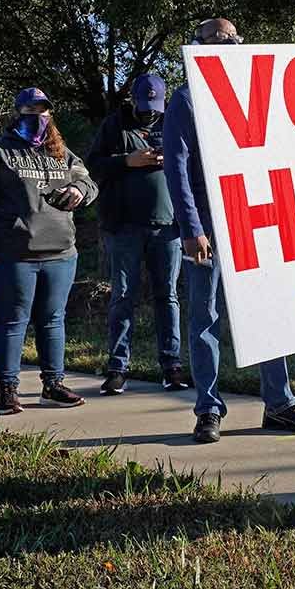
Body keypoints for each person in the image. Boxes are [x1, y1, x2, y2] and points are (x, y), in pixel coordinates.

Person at [163, 18, 295, 444]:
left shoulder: (260, 94)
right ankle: (209, 410)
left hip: (258, 222)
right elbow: (176, 171)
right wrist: (191, 228)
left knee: (271, 312)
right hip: (209, 228)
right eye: (214, 41)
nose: (225, 47)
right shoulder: (186, 100)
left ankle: (280, 405)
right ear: (195, 48)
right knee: (205, 318)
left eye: (232, 40)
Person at [0, 88, 98, 413]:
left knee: (53, 320)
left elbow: (88, 182)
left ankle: (52, 385)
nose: (38, 115)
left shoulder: (61, 152)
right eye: (30, 109)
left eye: (43, 110)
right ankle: (8, 389)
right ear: (18, 113)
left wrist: (79, 191)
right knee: (13, 320)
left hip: (61, 252)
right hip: (14, 254)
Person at [86, 73, 188, 395]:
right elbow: (93, 165)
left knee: (167, 296)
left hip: (167, 226)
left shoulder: (174, 120)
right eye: (144, 106)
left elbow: (192, 162)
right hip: (124, 226)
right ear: (133, 100)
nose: (150, 112)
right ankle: (118, 367)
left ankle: (171, 366)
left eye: (155, 106)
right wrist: (126, 161)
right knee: (123, 297)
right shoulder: (114, 125)